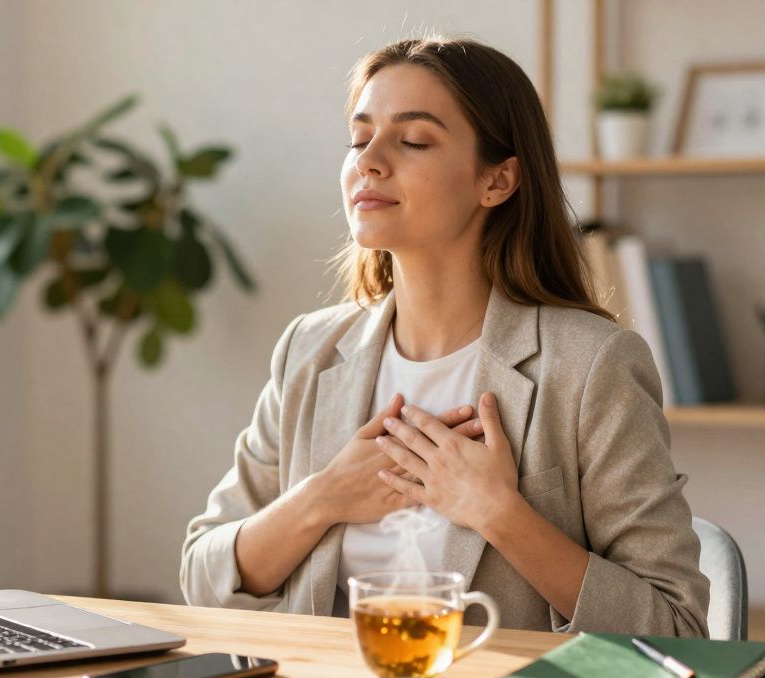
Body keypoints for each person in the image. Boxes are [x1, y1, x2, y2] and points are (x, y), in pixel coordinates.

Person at [179, 36, 709, 637]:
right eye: (359, 138)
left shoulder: (592, 365)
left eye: (413, 140)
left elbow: (678, 628)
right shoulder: (308, 350)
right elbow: (204, 576)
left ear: (498, 180)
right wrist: (322, 497)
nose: (368, 161)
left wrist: (500, 514)